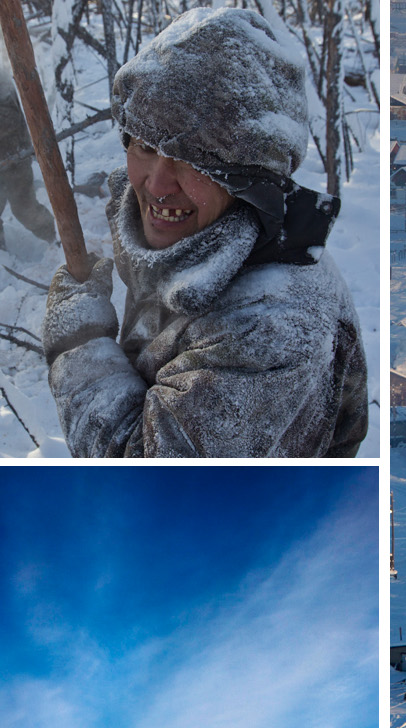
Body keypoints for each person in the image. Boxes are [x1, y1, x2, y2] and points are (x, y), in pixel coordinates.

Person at [41, 7, 367, 457]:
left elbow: (148, 483)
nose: (155, 185)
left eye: (191, 161)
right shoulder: (203, 239)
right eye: (145, 145)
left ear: (248, 178)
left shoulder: (267, 326)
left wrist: (80, 346)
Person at [0, 71, 57, 251]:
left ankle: (56, 241)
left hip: (14, 161)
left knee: (25, 209)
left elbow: (11, 119)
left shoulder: (2, 81)